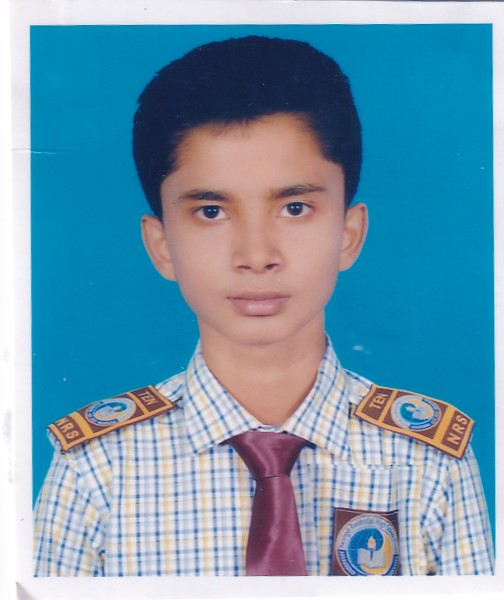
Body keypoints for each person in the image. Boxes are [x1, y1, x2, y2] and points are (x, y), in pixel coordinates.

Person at [33, 35, 494, 576]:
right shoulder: (96, 470)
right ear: (161, 246)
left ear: (348, 233)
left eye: (295, 207)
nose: (256, 255)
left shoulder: (429, 463)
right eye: (211, 212)